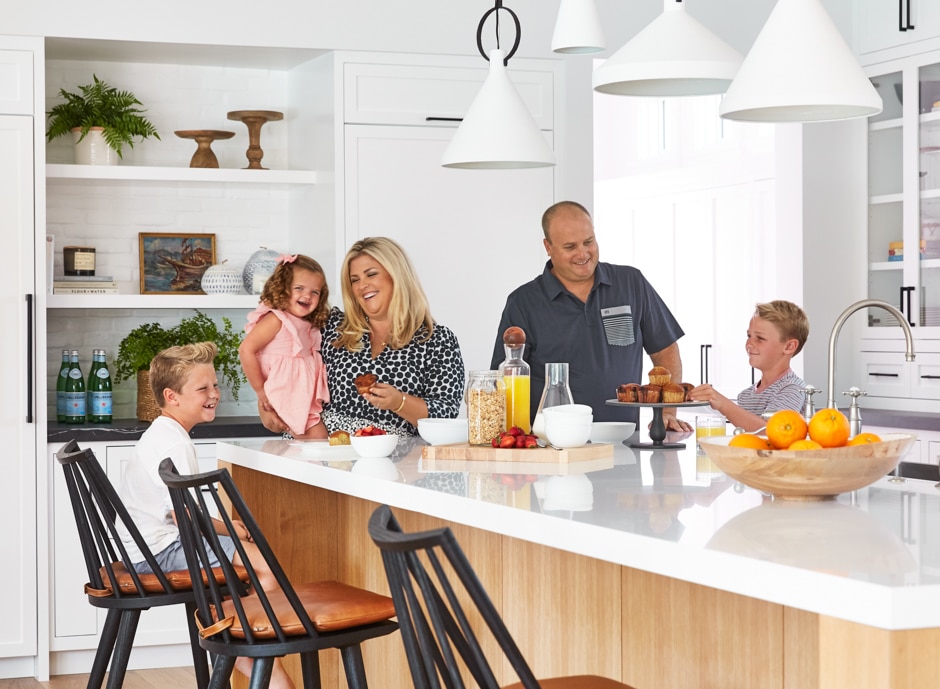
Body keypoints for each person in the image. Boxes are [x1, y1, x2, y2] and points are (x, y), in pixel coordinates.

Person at [119, 342, 294, 689]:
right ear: (173, 396)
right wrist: (230, 530)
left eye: (214, 385)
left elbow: (180, 514)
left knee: (239, 573)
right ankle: (261, 648)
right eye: (203, 388)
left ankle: (247, 649)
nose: (214, 393)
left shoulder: (162, 433)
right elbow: (182, 517)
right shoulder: (176, 444)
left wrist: (227, 530)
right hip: (159, 553)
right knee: (260, 561)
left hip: (146, 549)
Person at [490, 200, 691, 431]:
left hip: (623, 439)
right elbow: (505, 376)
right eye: (570, 247)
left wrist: (667, 412)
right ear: (548, 247)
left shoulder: (631, 283)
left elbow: (665, 349)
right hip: (551, 443)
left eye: (588, 242)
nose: (582, 253)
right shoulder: (523, 302)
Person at [254, 236, 465, 437]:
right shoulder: (330, 326)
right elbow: (277, 356)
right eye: (355, 280)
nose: (362, 286)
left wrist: (398, 402)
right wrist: (266, 404)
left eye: (371, 274)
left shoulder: (437, 341)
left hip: (394, 462)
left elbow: (445, 415)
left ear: (397, 276)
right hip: (321, 452)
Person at [239, 253, 330, 440]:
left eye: (315, 292)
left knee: (314, 445)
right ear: (283, 288)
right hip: (284, 392)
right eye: (299, 288)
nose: (307, 295)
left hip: (299, 393)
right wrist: (260, 391)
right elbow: (246, 349)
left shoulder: (307, 323)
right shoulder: (275, 319)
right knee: (317, 440)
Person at [688, 300, 809, 432]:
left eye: (760, 338)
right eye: (749, 336)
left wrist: (723, 404)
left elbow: (772, 433)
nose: (749, 344)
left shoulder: (793, 389)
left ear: (789, 346)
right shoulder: (746, 396)